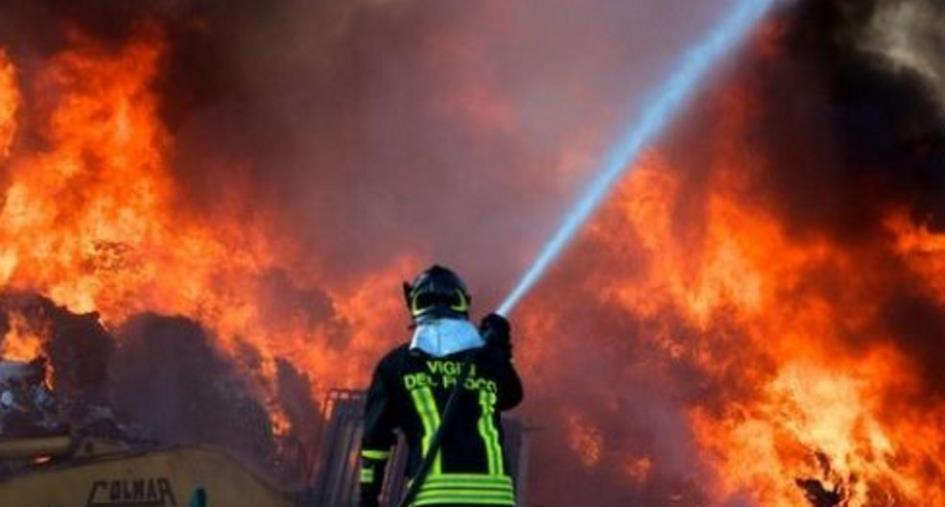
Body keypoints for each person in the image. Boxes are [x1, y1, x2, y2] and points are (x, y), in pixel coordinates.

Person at [360, 265, 523, 507]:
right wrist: (500, 348)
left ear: (415, 305)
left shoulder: (396, 365)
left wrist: (368, 498)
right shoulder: (484, 358)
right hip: (496, 496)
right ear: (461, 303)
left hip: (433, 495)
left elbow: (375, 441)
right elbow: (511, 396)